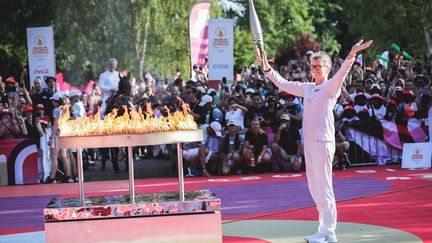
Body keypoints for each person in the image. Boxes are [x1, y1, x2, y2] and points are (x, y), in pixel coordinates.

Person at [257, 39, 373, 243]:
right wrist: (266, 67)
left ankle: (329, 232)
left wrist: (351, 55)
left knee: (324, 186)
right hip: (310, 144)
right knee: (314, 188)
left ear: (327, 69)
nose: (314, 69)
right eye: (312, 66)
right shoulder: (308, 88)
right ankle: (323, 229)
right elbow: (283, 83)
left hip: (323, 142)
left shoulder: (330, 87)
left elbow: (343, 73)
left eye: (318, 66)